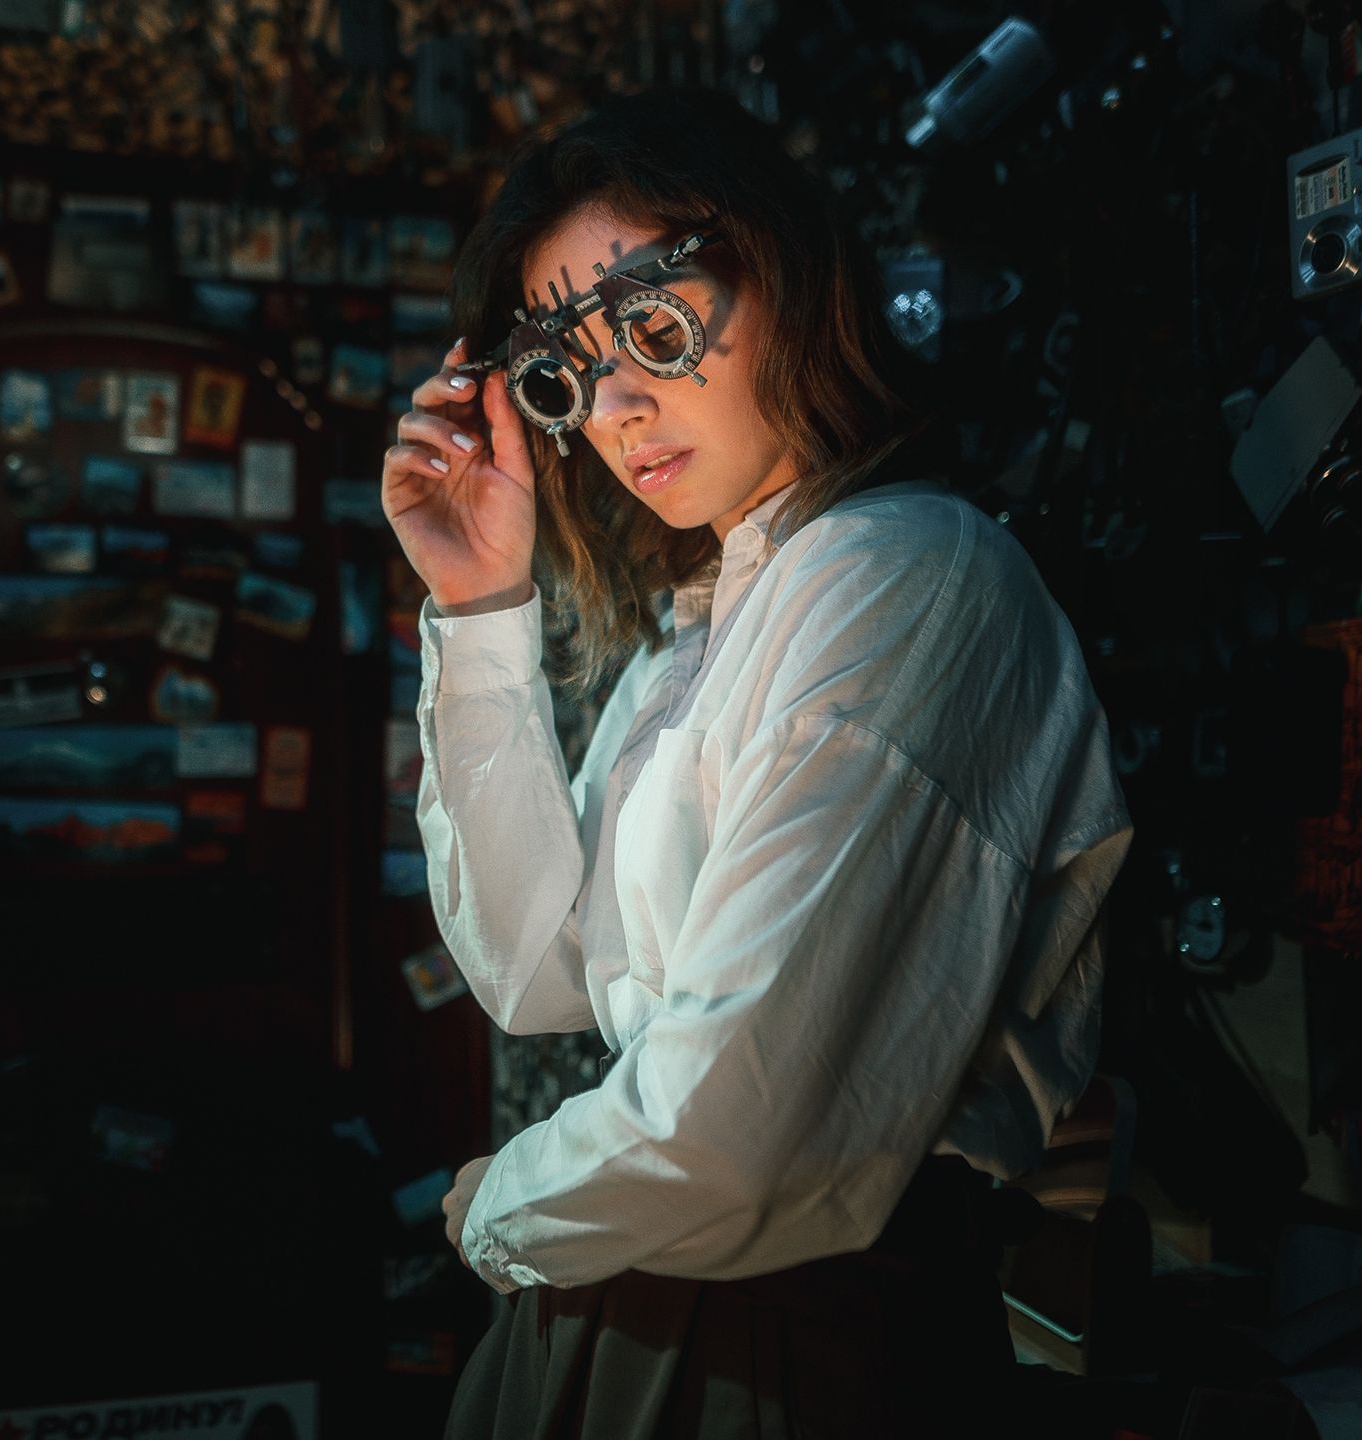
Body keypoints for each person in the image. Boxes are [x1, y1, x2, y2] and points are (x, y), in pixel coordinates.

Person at [380, 86, 1133, 1437]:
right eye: (566, 372)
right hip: (627, 1291)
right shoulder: (699, 639)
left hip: (783, 1323)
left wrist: (499, 1210)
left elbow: (734, 1135)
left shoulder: (901, 576)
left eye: (653, 325)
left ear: (784, 280)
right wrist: (480, 611)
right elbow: (538, 972)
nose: (617, 407)